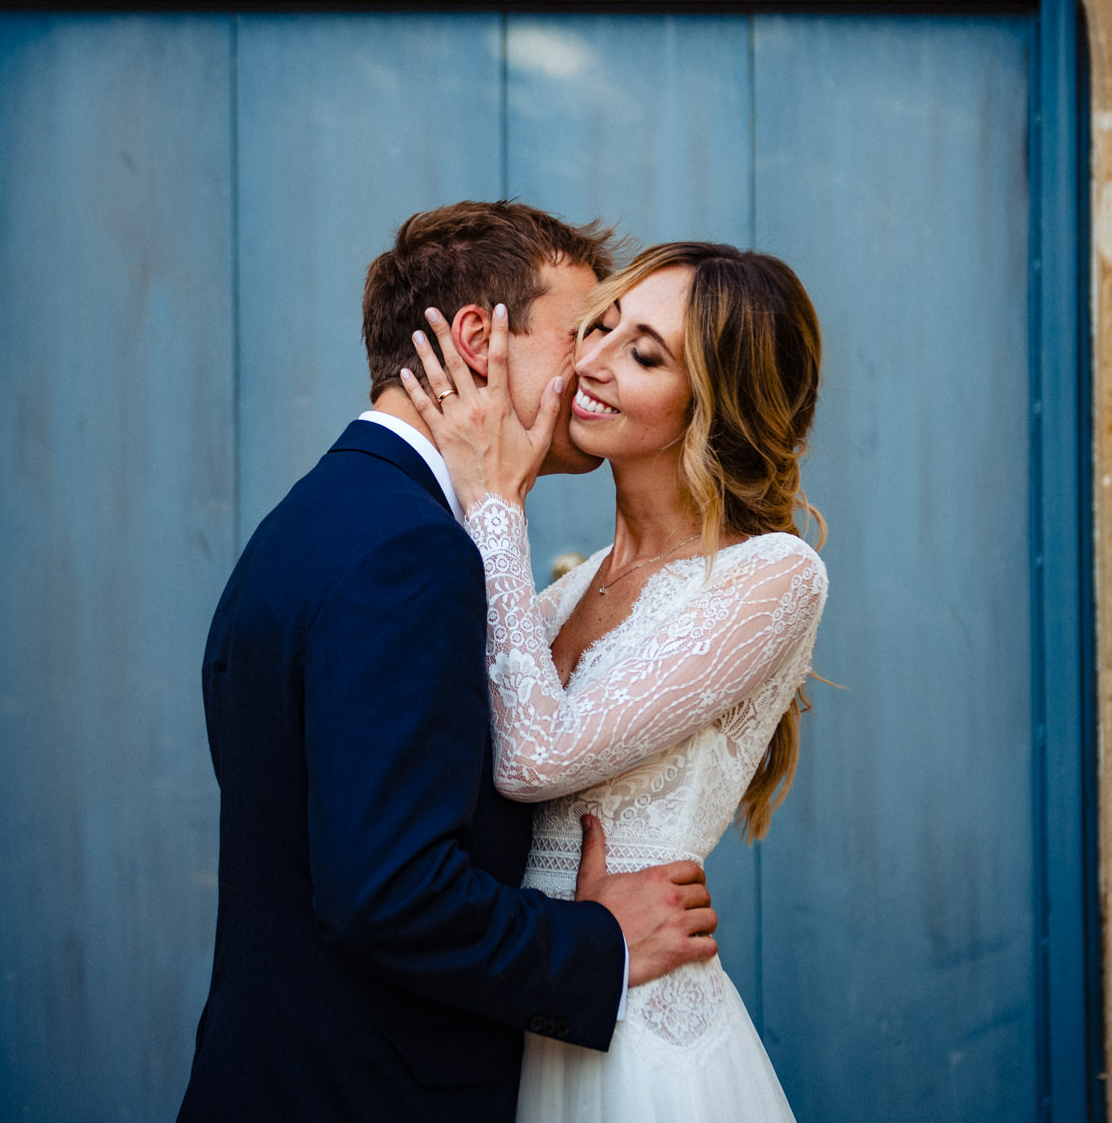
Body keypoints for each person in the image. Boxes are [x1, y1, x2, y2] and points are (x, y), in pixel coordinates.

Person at [177, 203, 721, 1123]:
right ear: (480, 337)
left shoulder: (317, 515)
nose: (593, 365)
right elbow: (389, 890)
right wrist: (598, 942)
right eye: (580, 333)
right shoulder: (412, 552)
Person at [400, 240, 828, 1122]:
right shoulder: (561, 591)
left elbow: (532, 757)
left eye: (644, 354)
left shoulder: (772, 576)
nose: (590, 363)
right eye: (598, 329)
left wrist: (496, 498)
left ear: (715, 400)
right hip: (534, 1004)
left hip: (644, 1049)